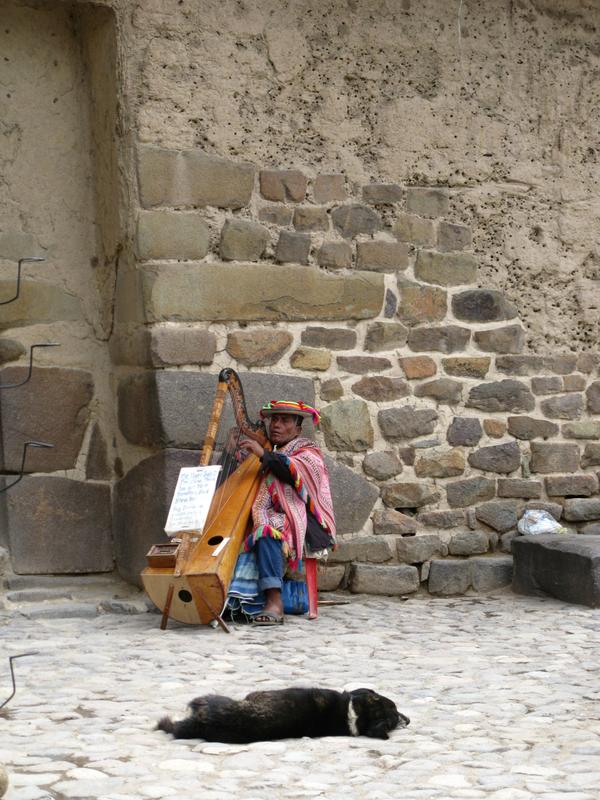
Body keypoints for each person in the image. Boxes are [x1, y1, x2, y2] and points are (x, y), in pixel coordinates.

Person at [229, 400, 336, 626]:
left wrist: (263, 455)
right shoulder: (270, 453)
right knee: (251, 528)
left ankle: (274, 601)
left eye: (284, 421)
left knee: (267, 531)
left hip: (304, 521)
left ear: (298, 429)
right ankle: (240, 600)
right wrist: (232, 451)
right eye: (274, 420)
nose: (276, 425)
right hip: (272, 515)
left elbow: (291, 470)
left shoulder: (308, 452)